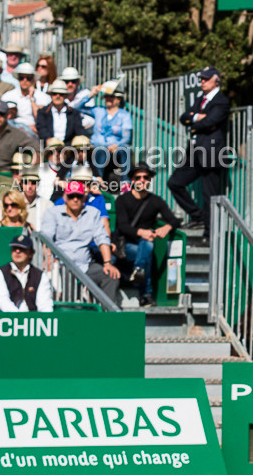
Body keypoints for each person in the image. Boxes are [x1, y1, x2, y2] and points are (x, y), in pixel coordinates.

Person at [168, 67, 231, 232]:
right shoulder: (200, 98)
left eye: (206, 79)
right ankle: (198, 216)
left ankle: (210, 233)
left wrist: (194, 120)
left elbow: (209, 121)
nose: (202, 81)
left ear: (216, 81)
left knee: (209, 195)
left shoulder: (221, 101)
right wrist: (196, 117)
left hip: (211, 152)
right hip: (195, 151)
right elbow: (184, 117)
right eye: (201, 78)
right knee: (175, 182)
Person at [41, 181, 122, 298]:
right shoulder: (53, 213)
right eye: (71, 196)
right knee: (66, 282)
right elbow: (46, 238)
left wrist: (107, 263)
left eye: (78, 196)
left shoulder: (93, 213)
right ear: (65, 197)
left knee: (110, 275)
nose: (75, 199)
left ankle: (108, 315)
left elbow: (102, 239)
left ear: (84, 197)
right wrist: (48, 257)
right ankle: (71, 311)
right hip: (60, 264)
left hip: (85, 264)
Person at [114, 164, 180, 306]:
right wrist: (141, 232)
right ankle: (146, 294)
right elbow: (122, 226)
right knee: (147, 248)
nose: (142, 180)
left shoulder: (155, 200)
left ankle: (138, 270)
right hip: (125, 246)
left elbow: (174, 220)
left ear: (150, 180)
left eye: (145, 177)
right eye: (138, 178)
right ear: (132, 180)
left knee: (147, 246)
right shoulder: (122, 200)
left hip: (144, 245)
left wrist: (167, 227)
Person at [0, 232, 52, 312]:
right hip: (6, 321)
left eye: (22, 249)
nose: (17, 251)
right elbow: (2, 301)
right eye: (14, 248)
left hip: (33, 321)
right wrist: (20, 319)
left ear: (31, 253)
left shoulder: (40, 275)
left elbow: (45, 305)